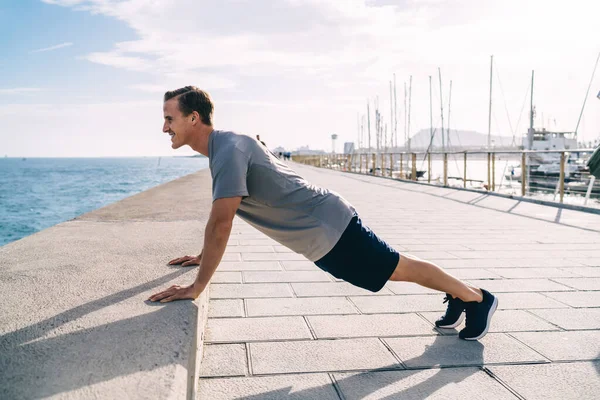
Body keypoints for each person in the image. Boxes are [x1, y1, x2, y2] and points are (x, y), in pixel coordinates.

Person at [149, 86, 498, 341]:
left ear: (193, 118)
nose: (165, 127)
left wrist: (197, 286)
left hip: (329, 226)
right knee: (394, 267)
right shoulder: (224, 146)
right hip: (322, 229)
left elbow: (221, 222)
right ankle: (460, 293)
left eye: (170, 118)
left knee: (396, 267)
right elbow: (226, 217)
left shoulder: (227, 148)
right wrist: (202, 255)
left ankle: (477, 298)